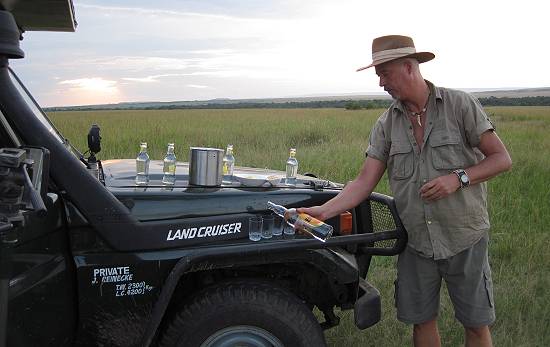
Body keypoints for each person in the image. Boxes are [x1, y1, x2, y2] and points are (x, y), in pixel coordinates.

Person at [298, 35, 512, 347]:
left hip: (465, 238)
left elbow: (501, 159)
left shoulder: (459, 105)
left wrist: (459, 178)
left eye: (385, 74)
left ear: (409, 67)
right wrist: (324, 211)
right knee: (421, 321)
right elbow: (363, 182)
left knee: (476, 323)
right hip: (416, 243)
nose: (381, 83)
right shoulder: (386, 124)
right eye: (379, 76)